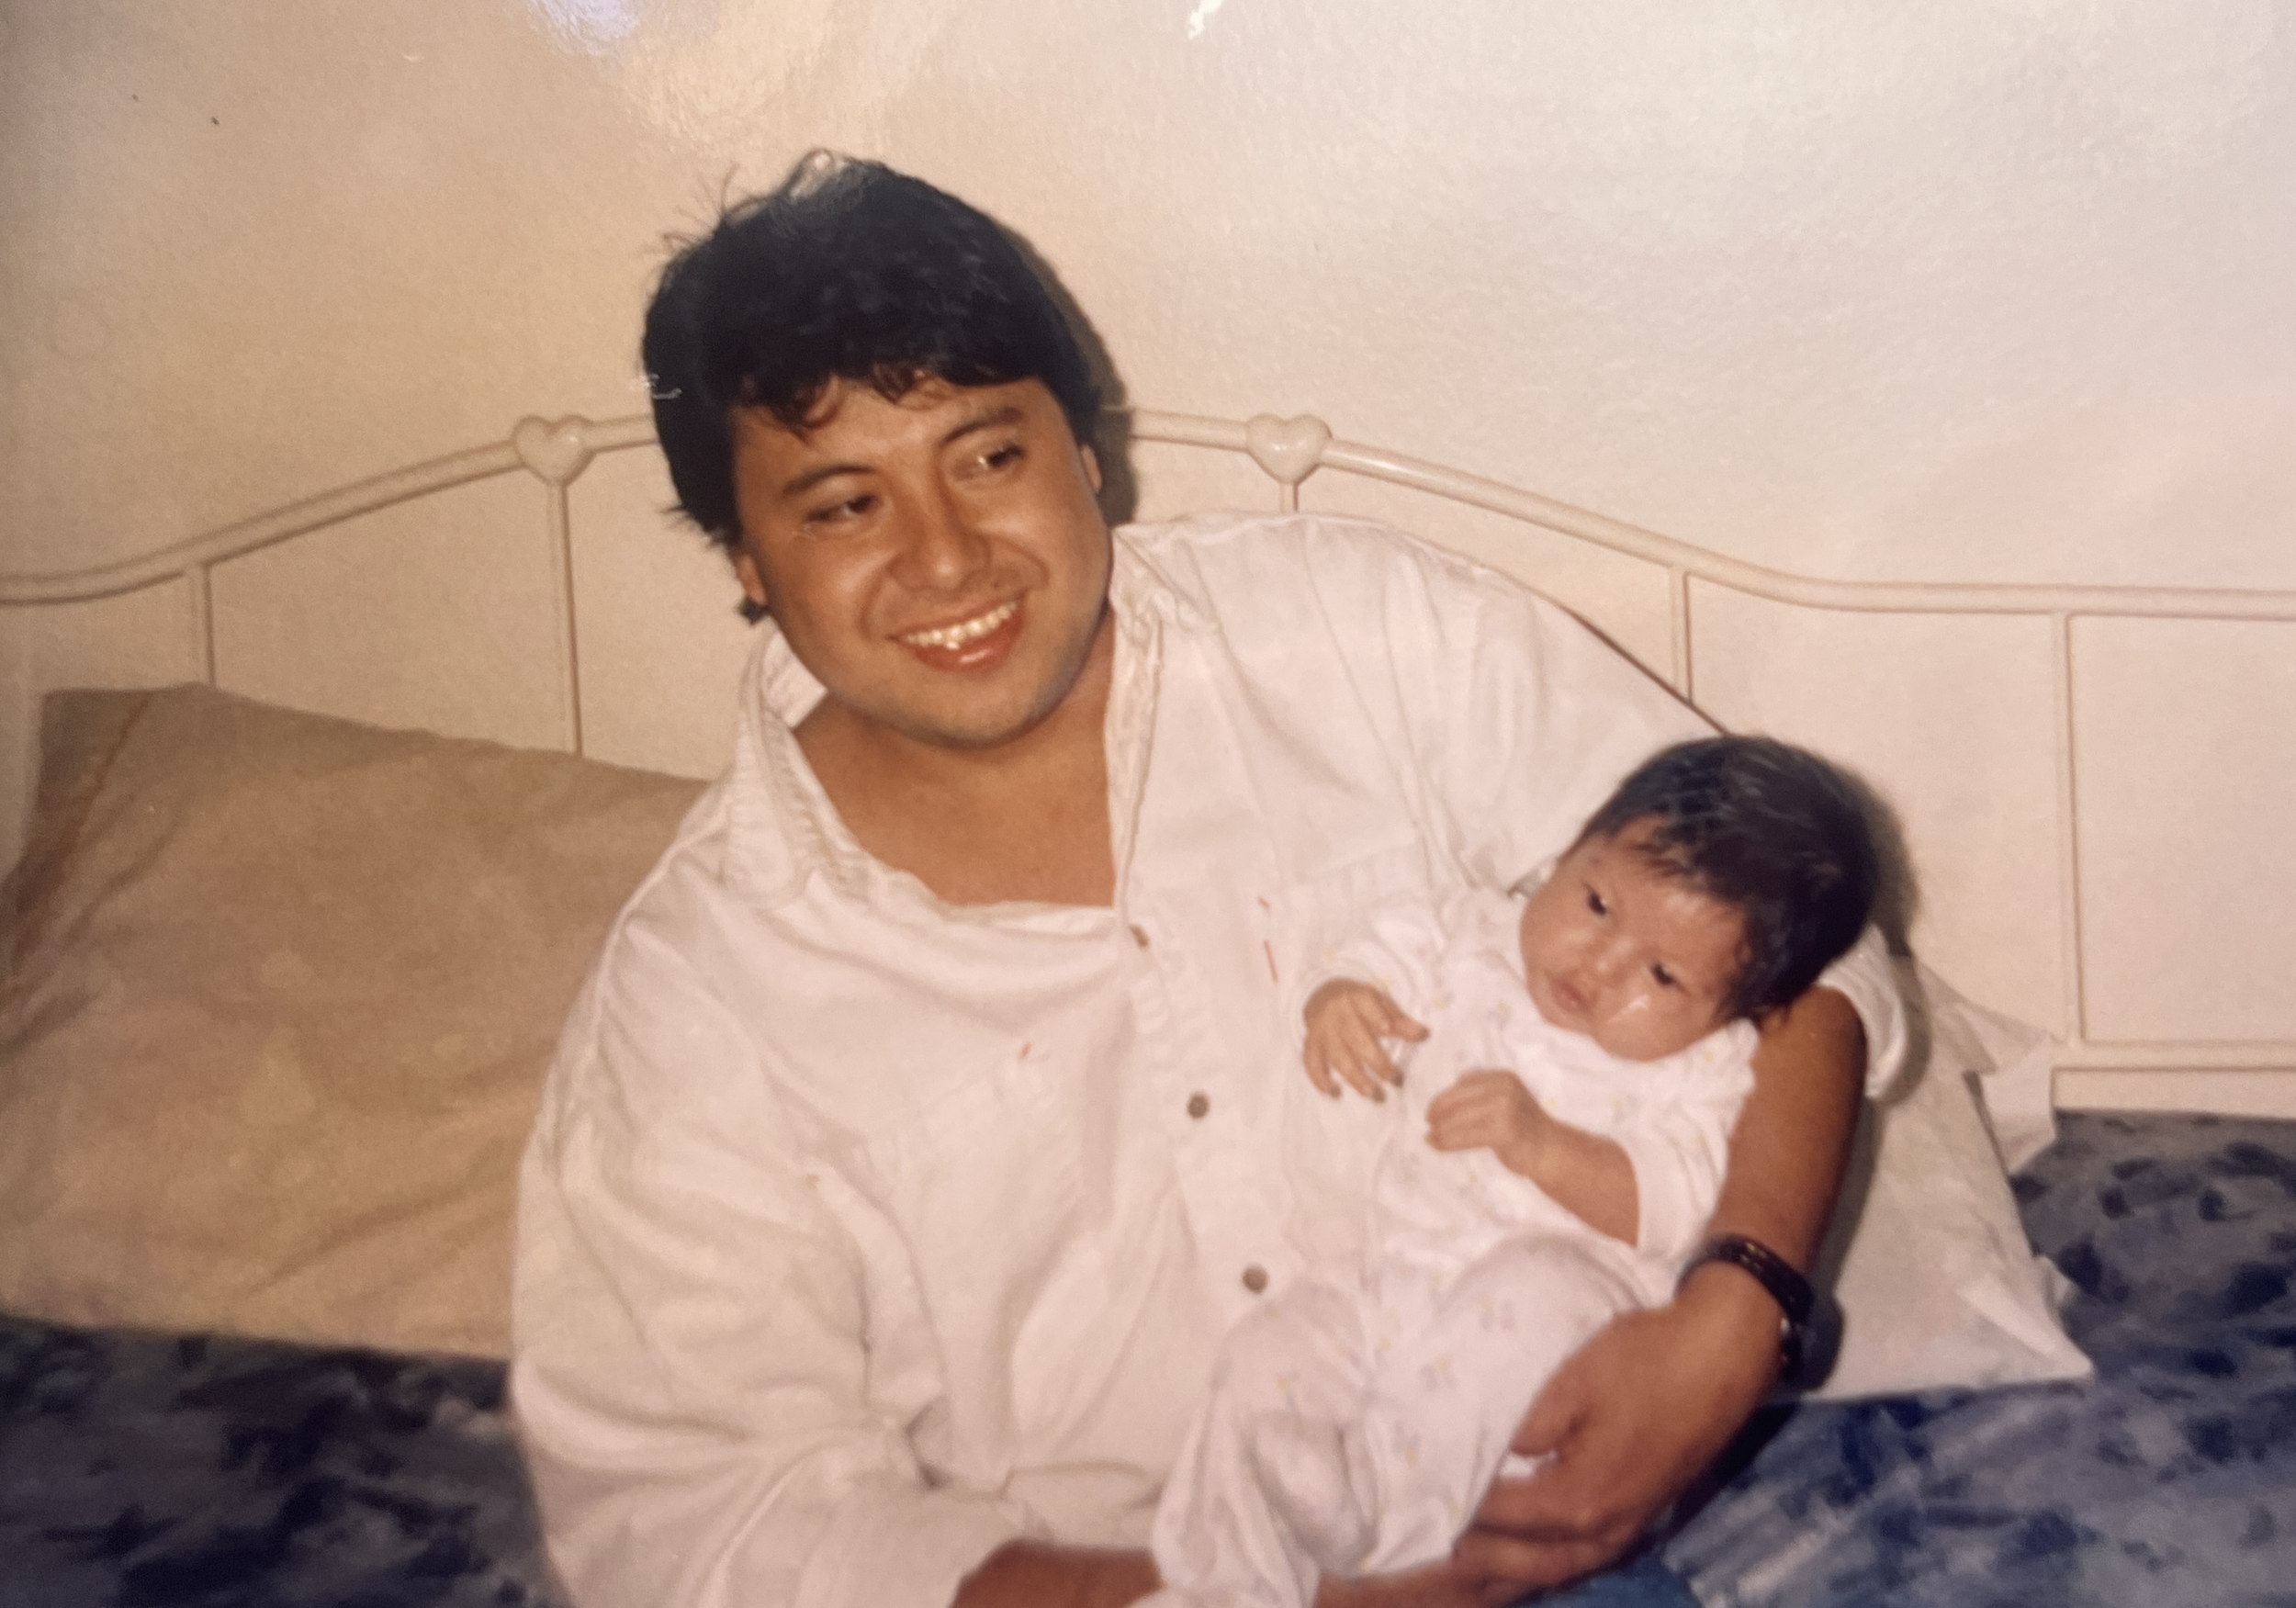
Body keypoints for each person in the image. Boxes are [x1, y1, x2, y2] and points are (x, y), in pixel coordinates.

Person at [510, 151, 1906, 1608]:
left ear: (1087, 453)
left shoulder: (1355, 632)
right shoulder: (699, 993)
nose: (946, 559)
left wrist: (1738, 1309)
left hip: (1537, 1546)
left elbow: (1809, 936)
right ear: (746, 558)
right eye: (844, 505)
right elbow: (700, 1522)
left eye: (988, 457)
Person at [1145, 737, 1879, 1608]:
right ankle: (1219, 1586)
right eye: (1598, 901)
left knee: (1528, 1293)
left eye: (1662, 974)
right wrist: (1338, 997)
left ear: (1737, 1009)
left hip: (1564, 1333)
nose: (1598, 965)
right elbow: (1382, 951)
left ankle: (1383, 1514)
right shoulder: (1473, 933)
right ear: (1568, 849)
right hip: (1403, 1277)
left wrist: (1544, 1145)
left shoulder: (1704, 1070)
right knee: (1270, 1350)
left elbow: (1673, 1206)